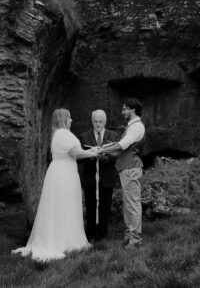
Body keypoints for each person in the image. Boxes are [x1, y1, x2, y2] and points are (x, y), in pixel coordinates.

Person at [12, 108, 97, 262]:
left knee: (64, 206)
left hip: (63, 171)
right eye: (69, 117)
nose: (71, 120)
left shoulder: (59, 134)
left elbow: (75, 151)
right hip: (63, 174)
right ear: (63, 119)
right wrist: (93, 153)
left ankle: (68, 239)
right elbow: (75, 152)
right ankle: (63, 241)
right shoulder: (62, 134)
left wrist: (91, 150)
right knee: (64, 205)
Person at [99, 98, 145, 250]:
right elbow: (120, 149)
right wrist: (106, 151)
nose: (122, 111)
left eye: (125, 109)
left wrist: (102, 149)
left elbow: (122, 145)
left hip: (131, 168)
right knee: (128, 204)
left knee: (133, 204)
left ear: (133, 109)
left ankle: (136, 239)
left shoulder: (136, 127)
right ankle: (129, 235)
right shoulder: (131, 126)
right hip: (126, 168)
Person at [80, 109, 118, 241]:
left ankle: (102, 234)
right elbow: (80, 157)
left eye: (100, 121)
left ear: (105, 121)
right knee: (90, 205)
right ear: (92, 121)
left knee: (105, 206)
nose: (98, 124)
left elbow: (116, 157)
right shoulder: (84, 136)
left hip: (106, 176)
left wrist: (105, 158)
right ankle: (90, 234)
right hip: (90, 176)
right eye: (95, 121)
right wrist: (91, 155)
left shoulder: (113, 136)